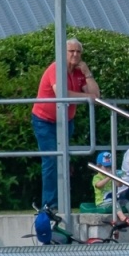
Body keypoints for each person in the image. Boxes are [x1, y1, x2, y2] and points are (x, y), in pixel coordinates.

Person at [30, 38, 101, 211]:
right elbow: (61, 93)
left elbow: (96, 95)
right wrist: (86, 98)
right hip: (44, 121)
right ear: (63, 53)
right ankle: (50, 204)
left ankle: (62, 201)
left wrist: (87, 72)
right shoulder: (56, 68)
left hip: (66, 121)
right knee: (51, 160)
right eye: (71, 51)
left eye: (78, 52)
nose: (75, 55)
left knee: (64, 161)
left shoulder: (78, 72)